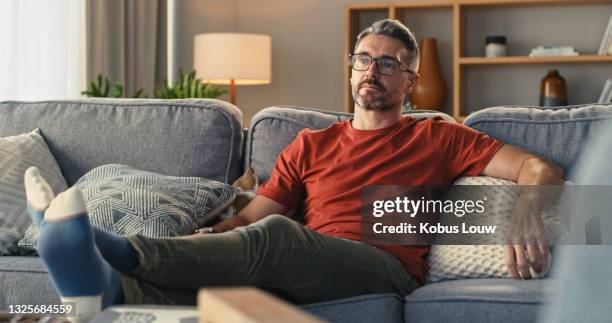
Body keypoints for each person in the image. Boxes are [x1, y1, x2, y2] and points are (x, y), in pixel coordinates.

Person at [24, 19, 564, 322]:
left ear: (411, 81)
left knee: (279, 238)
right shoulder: (311, 143)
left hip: (384, 267)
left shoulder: (438, 133)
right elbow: (248, 223)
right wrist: (213, 234)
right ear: (350, 69)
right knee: (226, 285)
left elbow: (539, 168)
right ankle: (103, 288)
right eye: (362, 59)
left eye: (388, 63)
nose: (371, 70)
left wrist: (526, 215)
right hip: (299, 264)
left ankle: (105, 244)